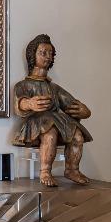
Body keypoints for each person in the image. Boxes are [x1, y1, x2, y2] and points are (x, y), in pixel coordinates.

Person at [10, 33, 91, 186]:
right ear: (32, 55)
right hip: (36, 125)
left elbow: (70, 103)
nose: (48, 57)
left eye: (51, 53)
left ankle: (72, 169)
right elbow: (19, 104)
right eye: (43, 53)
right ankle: (45, 171)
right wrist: (29, 104)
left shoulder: (53, 88)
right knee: (50, 133)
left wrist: (84, 111)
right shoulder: (23, 85)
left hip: (57, 121)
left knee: (77, 135)